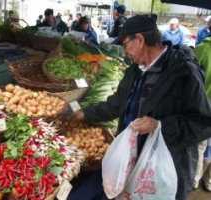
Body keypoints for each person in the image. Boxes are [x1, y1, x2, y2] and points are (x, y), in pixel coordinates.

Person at [69, 14, 211, 200]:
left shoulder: (183, 72)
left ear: (140, 40)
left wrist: (159, 126)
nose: (124, 51)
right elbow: (116, 104)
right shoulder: (135, 71)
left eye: (125, 43)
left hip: (162, 169)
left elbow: (203, 123)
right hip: (132, 161)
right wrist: (84, 113)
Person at [193, 35, 211, 191]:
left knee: (199, 145)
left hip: (204, 106)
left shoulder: (203, 49)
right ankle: (209, 180)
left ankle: (195, 180)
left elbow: (191, 77)